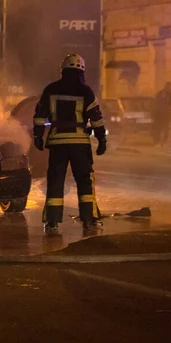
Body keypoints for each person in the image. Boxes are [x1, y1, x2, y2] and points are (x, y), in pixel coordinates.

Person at [33, 54, 106, 234]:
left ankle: (52, 223)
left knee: (55, 181)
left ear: (63, 70)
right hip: (80, 143)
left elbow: (40, 116)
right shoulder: (86, 91)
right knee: (84, 182)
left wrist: (37, 136)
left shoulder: (51, 89)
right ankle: (89, 220)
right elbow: (96, 118)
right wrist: (101, 139)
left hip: (57, 143)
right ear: (82, 70)